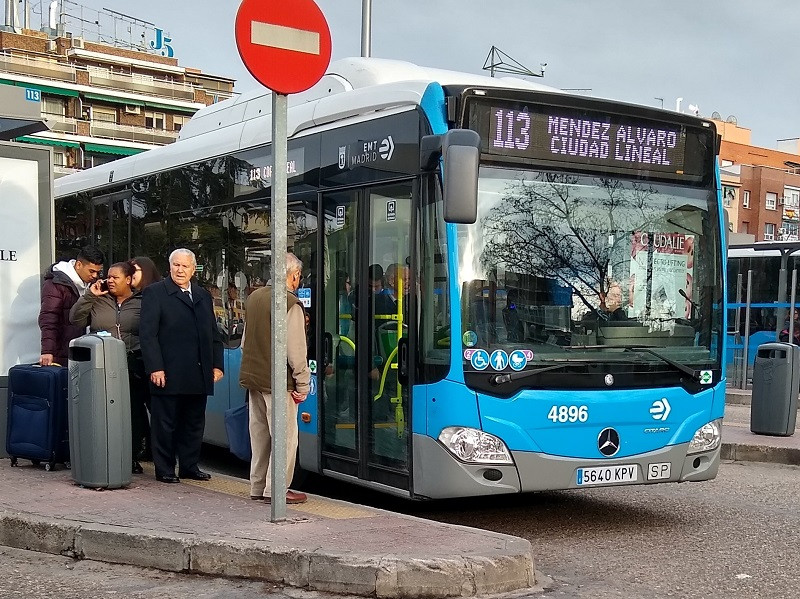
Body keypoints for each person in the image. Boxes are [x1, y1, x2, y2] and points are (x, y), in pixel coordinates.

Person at [139, 248, 224, 484]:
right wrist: (155, 367)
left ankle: (189, 466)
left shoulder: (202, 295)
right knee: (165, 424)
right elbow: (148, 335)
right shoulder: (155, 293)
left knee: (194, 423)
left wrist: (217, 364)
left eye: (185, 266)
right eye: (176, 265)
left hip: (198, 372)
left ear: (193, 269)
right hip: (167, 372)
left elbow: (213, 334)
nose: (180, 270)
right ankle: (165, 468)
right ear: (169, 267)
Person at [239, 252, 310, 504]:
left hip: (253, 379)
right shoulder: (289, 303)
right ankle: (276, 489)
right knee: (285, 437)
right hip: (278, 382)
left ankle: (257, 486)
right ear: (294, 275)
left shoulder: (254, 297)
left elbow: (244, 343)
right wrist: (303, 383)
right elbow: (296, 351)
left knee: (259, 436)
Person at [69, 261, 146, 475]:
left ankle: (130, 456)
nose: (109, 281)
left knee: (132, 412)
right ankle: (102, 453)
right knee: (102, 410)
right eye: (108, 277)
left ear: (129, 280)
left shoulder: (142, 302)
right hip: (101, 363)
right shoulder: (98, 299)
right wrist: (90, 296)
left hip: (132, 362)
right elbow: (74, 319)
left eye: (115, 277)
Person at [38, 245, 105, 366]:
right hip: (64, 351)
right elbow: (49, 318)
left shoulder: (93, 284)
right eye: (92, 271)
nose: (95, 276)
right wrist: (48, 350)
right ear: (78, 265)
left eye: (98, 272)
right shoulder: (56, 283)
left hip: (88, 350)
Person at [129, 255, 162, 461]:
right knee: (136, 409)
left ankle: (156, 450)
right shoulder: (127, 297)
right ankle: (144, 448)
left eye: (135, 271)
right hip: (134, 362)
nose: (130, 276)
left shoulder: (158, 295)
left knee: (157, 410)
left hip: (153, 362)